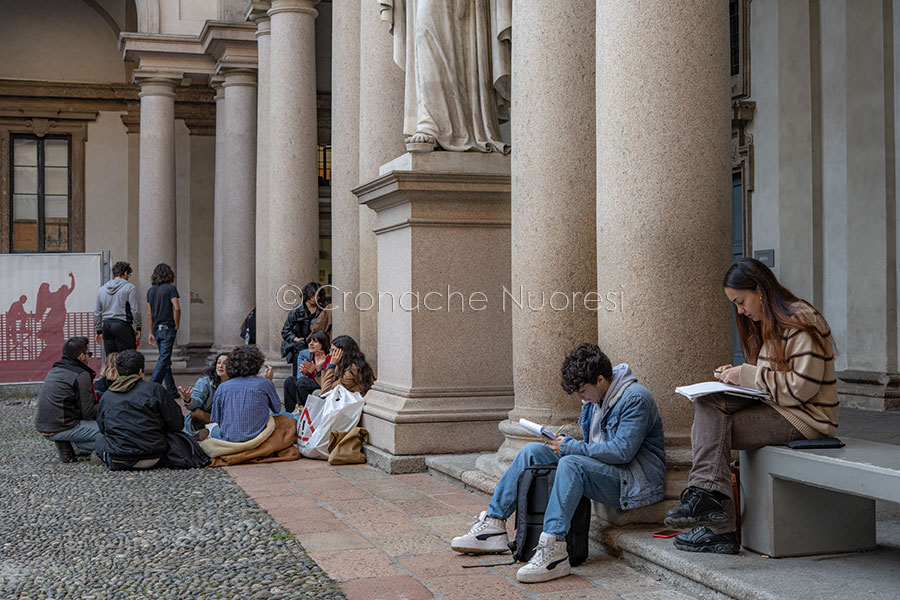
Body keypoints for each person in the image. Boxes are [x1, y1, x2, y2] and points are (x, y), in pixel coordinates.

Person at [450, 343, 665, 583]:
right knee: (532, 451)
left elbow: (621, 452)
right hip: (606, 471)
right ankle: (493, 523)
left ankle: (554, 548)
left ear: (602, 378)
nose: (580, 397)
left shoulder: (635, 398)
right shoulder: (594, 400)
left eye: (582, 390)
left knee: (572, 463)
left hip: (632, 481)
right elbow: (595, 444)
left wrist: (572, 447)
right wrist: (563, 442)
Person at [665, 257, 838, 555]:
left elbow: (802, 388)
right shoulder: (768, 324)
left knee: (712, 427)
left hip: (807, 419)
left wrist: (746, 374)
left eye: (741, 301)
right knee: (709, 405)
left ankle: (715, 522)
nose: (741, 311)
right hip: (779, 408)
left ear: (759, 290)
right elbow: (770, 380)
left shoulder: (801, 320)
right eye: (735, 304)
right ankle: (708, 505)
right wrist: (734, 377)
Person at [94, 350, 186, 470]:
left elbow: (103, 428)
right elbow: (177, 423)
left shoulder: (107, 396)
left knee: (99, 439)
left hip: (119, 459)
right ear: (141, 371)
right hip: (155, 456)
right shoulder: (155, 390)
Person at [34, 336, 100, 462]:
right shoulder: (81, 375)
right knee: (112, 434)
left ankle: (67, 442)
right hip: (62, 426)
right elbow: (87, 411)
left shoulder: (56, 369)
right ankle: (74, 447)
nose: (89, 357)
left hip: (43, 425)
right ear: (81, 356)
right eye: (89, 354)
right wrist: (108, 405)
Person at [210, 345, 280, 443]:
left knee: (213, 431)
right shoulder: (265, 384)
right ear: (258, 364)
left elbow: (216, 419)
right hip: (258, 439)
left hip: (230, 440)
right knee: (288, 417)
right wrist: (269, 381)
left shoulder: (223, 387)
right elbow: (277, 409)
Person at [146, 263, 181, 399]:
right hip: (167, 328)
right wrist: (177, 323)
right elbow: (176, 308)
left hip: (156, 329)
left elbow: (149, 314)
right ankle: (152, 386)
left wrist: (150, 332)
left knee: (165, 360)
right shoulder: (171, 288)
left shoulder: (150, 291)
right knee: (164, 359)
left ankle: (172, 391)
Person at [94, 261, 141, 354]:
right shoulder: (129, 287)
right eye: (128, 275)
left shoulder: (102, 289)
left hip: (106, 326)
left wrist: (99, 330)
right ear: (125, 273)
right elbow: (135, 310)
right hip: (122, 325)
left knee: (111, 359)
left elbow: (97, 312)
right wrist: (138, 327)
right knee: (127, 358)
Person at [281, 282, 325, 377]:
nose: (314, 298)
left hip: (317, 343)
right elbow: (285, 330)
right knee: (299, 365)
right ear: (307, 295)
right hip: (301, 344)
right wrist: (296, 338)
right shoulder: (296, 310)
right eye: (312, 296)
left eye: (317, 296)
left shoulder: (322, 310)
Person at [181, 352, 229, 436]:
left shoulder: (236, 382)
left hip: (226, 417)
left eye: (225, 364)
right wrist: (188, 400)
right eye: (219, 362)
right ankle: (212, 429)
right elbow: (197, 401)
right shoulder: (206, 381)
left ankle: (208, 432)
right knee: (196, 412)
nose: (220, 366)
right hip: (207, 418)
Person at [283, 330, 330, 412]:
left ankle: (302, 410)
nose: (311, 344)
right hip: (315, 384)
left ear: (323, 344)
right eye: (310, 341)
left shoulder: (328, 358)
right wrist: (307, 373)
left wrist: (315, 372)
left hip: (325, 387)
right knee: (290, 381)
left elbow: (326, 382)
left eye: (315, 341)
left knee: (302, 382)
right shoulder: (312, 358)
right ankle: (290, 414)